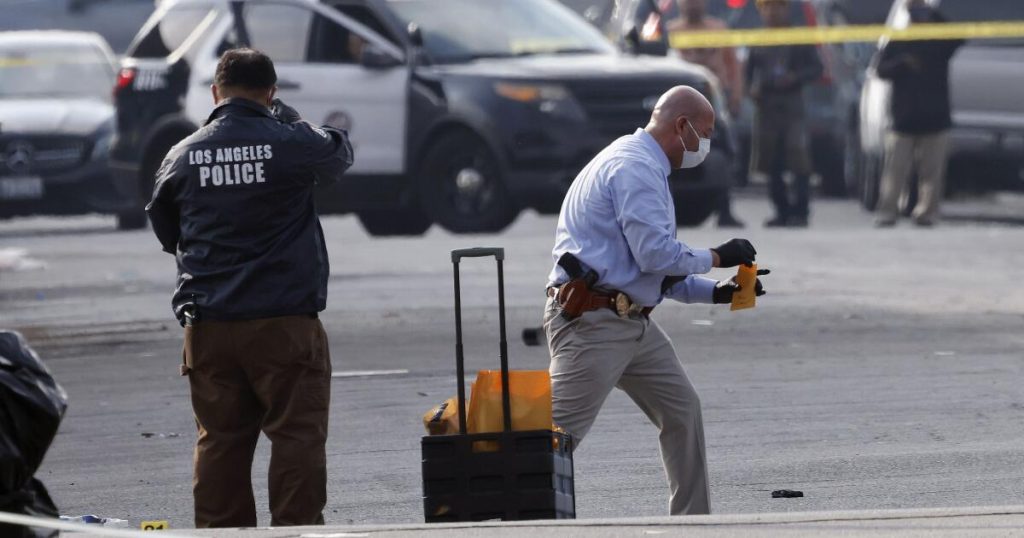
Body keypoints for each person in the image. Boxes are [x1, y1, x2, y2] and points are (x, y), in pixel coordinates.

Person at [146, 48, 353, 528]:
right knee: (296, 436)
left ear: (216, 92)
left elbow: (165, 228)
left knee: (220, 440)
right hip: (283, 323)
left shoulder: (182, 154)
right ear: (271, 93)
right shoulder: (289, 140)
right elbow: (338, 151)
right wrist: (291, 121)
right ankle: (295, 530)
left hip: (210, 325)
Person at [544, 85, 768, 515]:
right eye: (705, 133)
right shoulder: (634, 168)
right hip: (594, 323)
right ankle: (512, 517)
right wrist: (719, 256)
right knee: (552, 437)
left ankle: (692, 523)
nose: (707, 144)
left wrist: (720, 293)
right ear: (680, 126)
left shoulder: (643, 164)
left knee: (682, 411)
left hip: (629, 321)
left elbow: (653, 272)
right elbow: (655, 255)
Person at [873, 0, 963, 227]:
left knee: (931, 173)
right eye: (915, 13)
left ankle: (926, 213)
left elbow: (959, 38)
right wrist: (902, 64)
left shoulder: (939, 41)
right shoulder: (899, 39)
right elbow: (880, 69)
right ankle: (887, 212)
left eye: (923, 14)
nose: (919, 18)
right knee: (895, 172)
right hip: (904, 118)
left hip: (935, 117)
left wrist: (934, 15)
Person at [666, 0, 746, 228]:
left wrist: (736, 96)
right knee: (673, 157)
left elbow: (733, 66)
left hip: (713, 104)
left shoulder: (718, 29)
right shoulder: (671, 31)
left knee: (724, 153)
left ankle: (725, 209)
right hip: (679, 107)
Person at [745, 0, 823, 228]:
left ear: (786, 9)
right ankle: (781, 210)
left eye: (777, 6)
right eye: (767, 7)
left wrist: (795, 77)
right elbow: (749, 72)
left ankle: (801, 210)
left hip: (792, 104)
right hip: (767, 105)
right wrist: (752, 88)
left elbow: (816, 69)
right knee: (771, 161)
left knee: (799, 159)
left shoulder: (799, 36)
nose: (772, 12)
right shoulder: (758, 39)